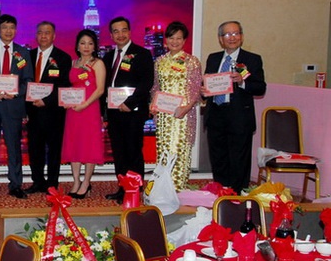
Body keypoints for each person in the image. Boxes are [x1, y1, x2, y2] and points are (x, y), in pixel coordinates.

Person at [202, 21, 266, 193]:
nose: (232, 38)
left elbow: (260, 88)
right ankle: (221, 193)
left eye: (236, 33)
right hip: (215, 115)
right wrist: (204, 91)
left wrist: (242, 82)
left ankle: (237, 196)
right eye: (228, 34)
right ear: (220, 39)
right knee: (218, 158)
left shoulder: (252, 59)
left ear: (242, 36)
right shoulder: (213, 58)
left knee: (239, 160)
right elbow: (208, 85)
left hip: (239, 117)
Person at [0, 14, 33, 198]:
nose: (8, 31)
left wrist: (16, 92)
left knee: (14, 147)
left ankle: (16, 185)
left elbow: (28, 80)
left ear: (16, 30)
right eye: (4, 27)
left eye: (11, 28)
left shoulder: (23, 53)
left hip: (13, 106)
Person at [102, 16, 153, 202]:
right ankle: (122, 188)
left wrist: (129, 103)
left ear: (130, 32)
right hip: (114, 113)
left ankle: (135, 190)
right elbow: (105, 85)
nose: (120, 34)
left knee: (133, 151)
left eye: (124, 30)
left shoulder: (142, 54)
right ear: (111, 35)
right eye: (116, 31)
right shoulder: (108, 57)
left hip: (133, 112)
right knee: (119, 152)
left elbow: (146, 83)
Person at [151, 21, 203, 190]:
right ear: (166, 40)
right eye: (171, 38)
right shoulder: (159, 61)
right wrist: (153, 104)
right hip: (164, 115)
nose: (175, 41)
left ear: (184, 40)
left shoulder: (192, 62)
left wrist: (186, 108)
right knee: (164, 148)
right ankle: (163, 188)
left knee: (180, 147)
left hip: (183, 114)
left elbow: (196, 91)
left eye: (179, 38)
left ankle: (178, 188)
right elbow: (156, 87)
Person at [25, 21, 72, 194]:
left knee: (54, 150)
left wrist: (47, 100)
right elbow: (23, 82)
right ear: (36, 35)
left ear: (54, 36)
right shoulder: (28, 56)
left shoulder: (63, 58)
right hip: (32, 112)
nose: (43, 36)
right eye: (40, 32)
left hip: (53, 112)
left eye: (47, 32)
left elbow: (64, 85)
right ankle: (37, 181)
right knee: (34, 149)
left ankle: (52, 183)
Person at [61, 30, 106, 198]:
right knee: (74, 144)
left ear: (94, 46)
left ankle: (86, 182)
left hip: (90, 109)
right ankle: (76, 181)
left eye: (90, 43)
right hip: (73, 111)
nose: (86, 46)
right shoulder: (73, 63)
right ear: (77, 46)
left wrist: (85, 104)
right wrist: (65, 100)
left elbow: (100, 89)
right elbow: (70, 86)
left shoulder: (98, 63)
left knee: (89, 145)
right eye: (83, 43)